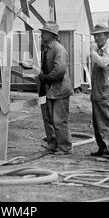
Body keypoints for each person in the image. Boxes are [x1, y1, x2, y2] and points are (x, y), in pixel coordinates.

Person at [38, 21, 74, 154]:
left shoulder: (59, 49)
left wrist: (45, 77)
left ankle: (65, 148)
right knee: (50, 119)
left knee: (59, 120)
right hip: (51, 91)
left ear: (51, 35)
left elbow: (59, 70)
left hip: (60, 90)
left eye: (44, 32)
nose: (42, 34)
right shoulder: (47, 48)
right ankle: (53, 144)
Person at [90, 24, 109, 162]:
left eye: (99, 35)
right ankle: (102, 149)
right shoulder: (101, 50)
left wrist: (92, 52)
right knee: (98, 123)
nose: (96, 38)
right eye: (95, 35)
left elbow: (103, 63)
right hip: (98, 92)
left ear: (107, 36)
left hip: (105, 92)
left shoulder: (108, 51)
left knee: (105, 122)